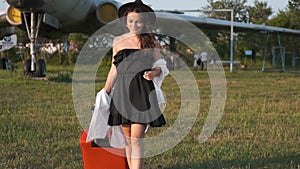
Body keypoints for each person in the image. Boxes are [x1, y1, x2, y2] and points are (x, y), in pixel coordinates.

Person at [103, 1, 167, 168]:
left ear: (144, 22)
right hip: (122, 91)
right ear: (125, 21)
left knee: (137, 139)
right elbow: (113, 69)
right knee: (128, 140)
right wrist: (105, 91)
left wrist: (154, 73)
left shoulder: (150, 41)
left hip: (142, 91)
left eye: (138, 21)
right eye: (131, 21)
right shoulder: (117, 41)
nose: (134, 25)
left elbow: (161, 66)